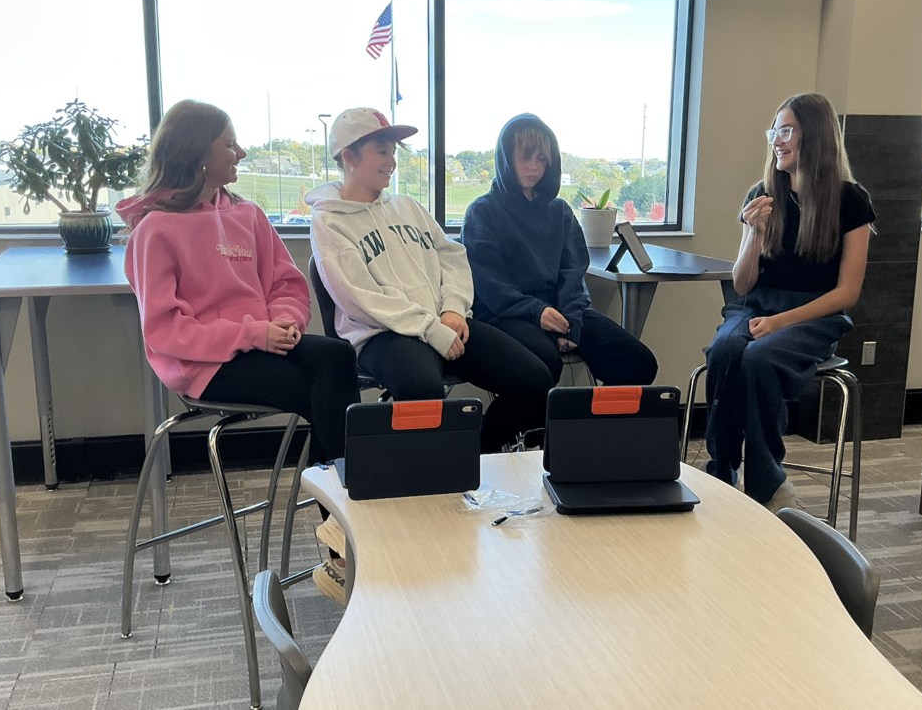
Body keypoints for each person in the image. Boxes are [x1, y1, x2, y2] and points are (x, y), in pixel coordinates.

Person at [118, 99, 360, 602]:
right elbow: (165, 332)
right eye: (229, 144)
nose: (241, 153)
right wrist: (253, 333)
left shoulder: (246, 215)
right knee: (319, 394)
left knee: (337, 359)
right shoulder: (155, 230)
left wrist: (284, 324)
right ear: (198, 153)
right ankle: (346, 542)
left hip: (261, 343)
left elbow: (288, 284)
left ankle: (343, 533)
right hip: (203, 366)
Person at [307, 108, 554, 453]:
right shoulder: (328, 222)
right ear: (349, 156)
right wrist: (430, 328)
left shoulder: (408, 207)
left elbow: (452, 257)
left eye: (393, 152)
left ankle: (474, 458)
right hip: (384, 333)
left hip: (444, 320)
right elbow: (359, 299)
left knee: (535, 381)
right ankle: (420, 492)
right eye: (382, 151)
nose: (391, 161)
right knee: (423, 392)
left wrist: (453, 309)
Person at [703, 93, 876, 512]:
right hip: (756, 306)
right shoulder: (762, 194)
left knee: (760, 357)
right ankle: (721, 470)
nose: (776, 141)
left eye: (786, 131)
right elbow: (742, 287)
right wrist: (754, 233)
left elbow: (846, 294)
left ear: (814, 137)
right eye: (774, 131)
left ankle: (766, 481)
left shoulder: (851, 201)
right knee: (726, 349)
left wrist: (782, 322)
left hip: (815, 316)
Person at [461, 114, 657, 387]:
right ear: (506, 158)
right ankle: (528, 430)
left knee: (638, 363)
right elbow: (490, 286)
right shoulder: (482, 212)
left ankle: (587, 427)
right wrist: (537, 312)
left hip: (563, 309)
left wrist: (572, 323)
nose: (534, 167)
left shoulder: (560, 211)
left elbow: (573, 274)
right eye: (525, 157)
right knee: (543, 363)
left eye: (541, 159)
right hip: (508, 314)